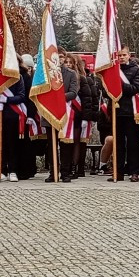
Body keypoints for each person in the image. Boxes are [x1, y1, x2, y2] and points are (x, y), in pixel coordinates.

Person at [108, 45, 139, 182]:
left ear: (129, 55)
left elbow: (135, 88)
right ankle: (118, 172)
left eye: (124, 55)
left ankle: (134, 172)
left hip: (131, 112)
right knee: (118, 144)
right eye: (119, 55)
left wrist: (119, 85)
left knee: (133, 144)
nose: (121, 58)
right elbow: (106, 90)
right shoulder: (112, 70)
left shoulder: (136, 70)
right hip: (117, 112)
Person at [52, 54, 80, 182]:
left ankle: (65, 172)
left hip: (65, 113)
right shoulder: (47, 73)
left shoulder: (71, 73)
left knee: (65, 145)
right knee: (51, 145)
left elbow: (73, 92)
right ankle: (53, 172)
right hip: (50, 112)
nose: (60, 59)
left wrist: (59, 97)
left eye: (61, 57)